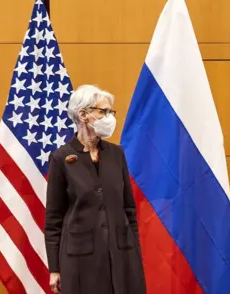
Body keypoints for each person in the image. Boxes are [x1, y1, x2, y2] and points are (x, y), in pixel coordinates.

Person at [44, 85, 146, 294]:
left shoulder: (116, 154)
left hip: (122, 256)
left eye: (110, 112)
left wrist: (134, 251)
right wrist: (54, 269)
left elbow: (129, 209)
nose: (109, 117)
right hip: (80, 260)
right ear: (83, 115)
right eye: (103, 111)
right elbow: (53, 220)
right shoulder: (61, 158)